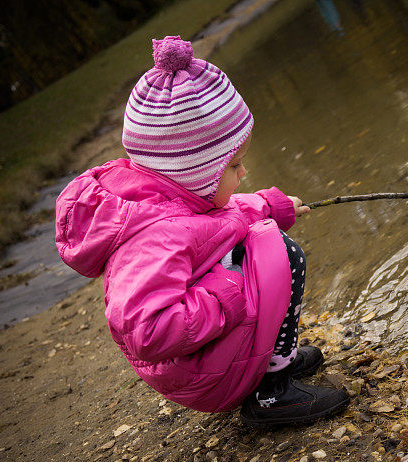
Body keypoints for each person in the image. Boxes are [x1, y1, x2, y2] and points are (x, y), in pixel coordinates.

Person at [55, 36, 349, 427]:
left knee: (259, 238)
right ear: (194, 173)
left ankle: (276, 360)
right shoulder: (155, 238)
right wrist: (226, 292)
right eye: (234, 166)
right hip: (202, 375)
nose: (243, 173)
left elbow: (214, 224)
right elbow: (149, 332)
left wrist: (269, 206)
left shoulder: (169, 198)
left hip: (207, 355)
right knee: (280, 253)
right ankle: (269, 392)